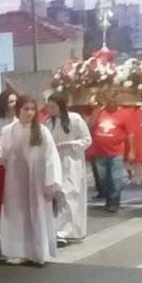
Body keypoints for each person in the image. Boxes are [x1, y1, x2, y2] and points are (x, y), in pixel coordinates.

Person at [0, 96, 63, 266]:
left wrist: (51, 181)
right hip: (15, 179)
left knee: (36, 212)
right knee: (17, 213)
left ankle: (38, 250)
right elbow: (2, 157)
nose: (29, 113)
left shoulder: (41, 131)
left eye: (32, 109)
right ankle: (18, 250)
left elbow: (51, 157)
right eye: (26, 109)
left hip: (37, 180)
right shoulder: (8, 130)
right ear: (18, 110)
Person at [44, 94, 92, 243]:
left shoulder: (75, 119)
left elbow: (87, 140)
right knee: (58, 194)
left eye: (53, 106)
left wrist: (70, 144)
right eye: (49, 106)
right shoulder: (48, 123)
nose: (50, 109)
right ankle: (61, 228)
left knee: (69, 193)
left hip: (71, 161)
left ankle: (65, 230)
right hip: (55, 162)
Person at [89, 98, 134, 212]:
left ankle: (114, 201)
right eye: (109, 101)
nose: (111, 104)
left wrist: (131, 151)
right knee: (103, 178)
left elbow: (130, 134)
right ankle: (108, 199)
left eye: (113, 101)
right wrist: (96, 112)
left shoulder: (124, 114)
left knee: (115, 178)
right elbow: (90, 125)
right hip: (100, 152)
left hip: (116, 152)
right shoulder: (100, 112)